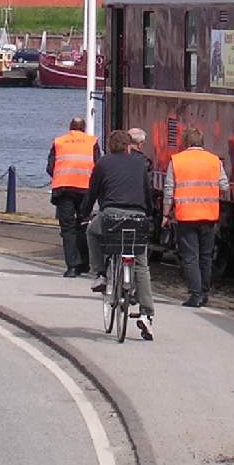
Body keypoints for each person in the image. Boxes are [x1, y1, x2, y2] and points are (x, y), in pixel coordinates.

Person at [86, 130, 156, 340]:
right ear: (128, 146)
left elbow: (92, 192)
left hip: (111, 216)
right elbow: (148, 193)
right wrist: (149, 214)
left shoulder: (103, 163)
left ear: (110, 146)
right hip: (137, 217)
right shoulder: (140, 164)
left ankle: (100, 274)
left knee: (92, 232)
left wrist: (83, 213)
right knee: (141, 263)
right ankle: (146, 314)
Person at [164, 127, 229, 308]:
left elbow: (169, 190)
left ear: (185, 142)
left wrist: (165, 214)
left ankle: (195, 294)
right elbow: (224, 186)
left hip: (186, 216)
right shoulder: (214, 160)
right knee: (206, 256)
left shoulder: (177, 161)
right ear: (201, 142)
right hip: (208, 215)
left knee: (190, 256)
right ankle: (205, 293)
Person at [46, 117, 99, 277]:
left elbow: (50, 167)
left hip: (63, 189)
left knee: (67, 229)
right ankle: (84, 263)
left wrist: (62, 176)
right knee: (83, 225)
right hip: (85, 190)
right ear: (84, 128)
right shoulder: (92, 142)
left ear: (70, 128)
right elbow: (98, 166)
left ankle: (72, 267)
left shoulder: (59, 142)